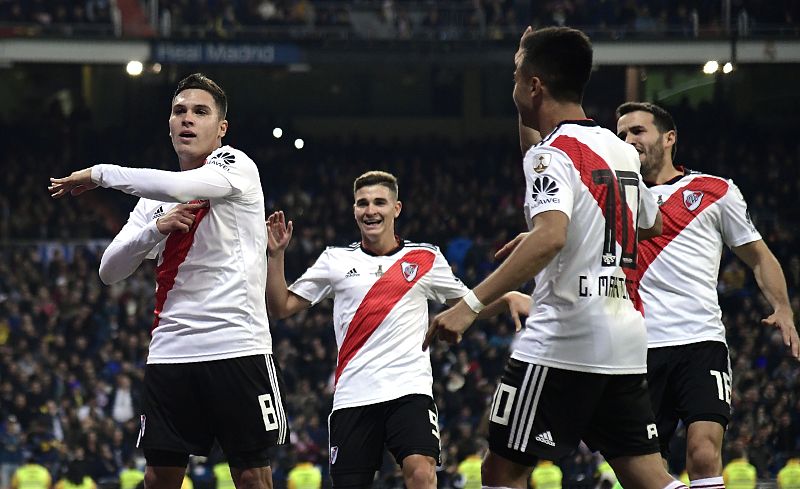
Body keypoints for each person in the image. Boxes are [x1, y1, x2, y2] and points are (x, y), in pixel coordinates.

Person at [423, 26, 684, 489]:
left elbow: (550, 238)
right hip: (622, 338)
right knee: (648, 475)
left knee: (501, 471)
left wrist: (468, 307)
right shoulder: (619, 150)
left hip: (565, 338)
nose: (513, 85)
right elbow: (652, 223)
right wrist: (567, 228)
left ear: (534, 85)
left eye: (516, 75)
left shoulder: (553, 155)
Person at [48, 73, 289, 489]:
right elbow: (109, 270)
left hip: (236, 345)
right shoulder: (151, 202)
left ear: (222, 128)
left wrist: (101, 173)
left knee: (251, 476)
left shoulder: (236, 166)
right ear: (170, 123)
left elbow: (183, 186)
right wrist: (154, 229)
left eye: (201, 112)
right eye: (180, 111)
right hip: (170, 352)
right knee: (159, 477)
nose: (188, 120)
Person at [266, 170, 530, 489]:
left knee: (421, 472)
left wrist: (505, 299)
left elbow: (469, 305)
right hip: (353, 395)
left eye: (379, 202)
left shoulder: (425, 258)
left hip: (409, 391)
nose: (370, 210)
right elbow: (280, 306)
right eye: (362, 203)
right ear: (354, 210)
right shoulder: (334, 260)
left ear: (397, 208)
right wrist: (276, 254)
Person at [615, 101, 800, 489]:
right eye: (621, 134)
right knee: (645, 469)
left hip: (700, 342)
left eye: (637, 131)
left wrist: (782, 306)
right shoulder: (615, 200)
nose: (627, 140)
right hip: (636, 347)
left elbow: (759, 256)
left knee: (702, 452)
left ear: (669, 138)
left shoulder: (715, 191)